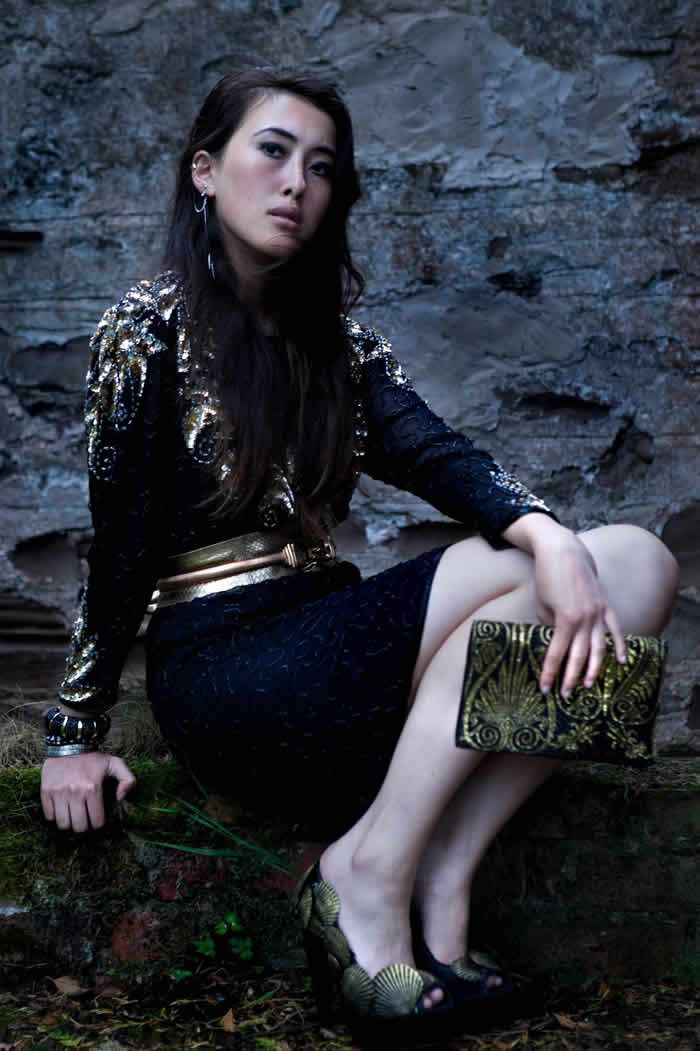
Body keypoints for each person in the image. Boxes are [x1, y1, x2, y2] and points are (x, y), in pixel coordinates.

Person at [40, 69, 679, 1034]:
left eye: (322, 166)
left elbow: (436, 454)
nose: (297, 181)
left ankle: (444, 875)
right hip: (229, 674)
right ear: (205, 171)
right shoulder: (146, 329)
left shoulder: (335, 343)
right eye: (273, 151)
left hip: (333, 645)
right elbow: (119, 542)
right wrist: (73, 732)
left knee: (636, 567)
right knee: (553, 571)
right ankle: (364, 872)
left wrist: (550, 535)